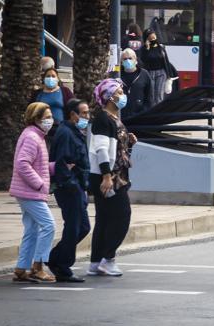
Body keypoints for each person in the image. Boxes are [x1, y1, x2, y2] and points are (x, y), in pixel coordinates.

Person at [87, 79, 137, 277]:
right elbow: (101, 149)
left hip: (116, 175)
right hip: (110, 177)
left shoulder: (113, 117)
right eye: (119, 91)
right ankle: (108, 259)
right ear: (109, 97)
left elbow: (116, 149)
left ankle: (95, 262)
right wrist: (106, 177)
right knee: (122, 217)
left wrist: (129, 141)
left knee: (105, 219)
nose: (123, 94)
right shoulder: (103, 119)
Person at [9, 102, 56, 283]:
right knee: (49, 225)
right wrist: (39, 184)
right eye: (47, 117)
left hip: (28, 190)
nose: (50, 121)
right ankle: (37, 267)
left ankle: (21, 269)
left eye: (50, 117)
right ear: (36, 119)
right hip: (30, 191)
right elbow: (22, 163)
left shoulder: (36, 135)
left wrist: (56, 167)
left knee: (32, 229)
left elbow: (37, 164)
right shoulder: (32, 137)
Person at [47, 99, 91, 282]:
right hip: (69, 188)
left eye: (88, 113)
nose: (87, 117)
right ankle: (63, 267)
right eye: (84, 113)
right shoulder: (66, 133)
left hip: (77, 187)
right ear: (73, 114)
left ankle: (55, 259)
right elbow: (62, 163)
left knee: (83, 227)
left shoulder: (75, 132)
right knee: (74, 227)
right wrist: (72, 184)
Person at [140, 28, 174, 106]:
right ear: (146, 39)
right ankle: (152, 112)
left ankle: (159, 113)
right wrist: (147, 49)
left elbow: (166, 61)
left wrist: (169, 75)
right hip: (150, 73)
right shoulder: (144, 49)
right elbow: (143, 61)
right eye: (150, 39)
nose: (153, 40)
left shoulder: (161, 47)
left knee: (159, 95)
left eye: (154, 38)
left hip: (161, 73)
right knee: (151, 96)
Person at [120, 48, 153, 120]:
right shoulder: (117, 76)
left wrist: (145, 113)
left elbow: (149, 97)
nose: (127, 61)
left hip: (139, 117)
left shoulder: (144, 74)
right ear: (121, 62)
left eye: (130, 58)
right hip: (121, 117)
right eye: (125, 59)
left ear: (135, 60)